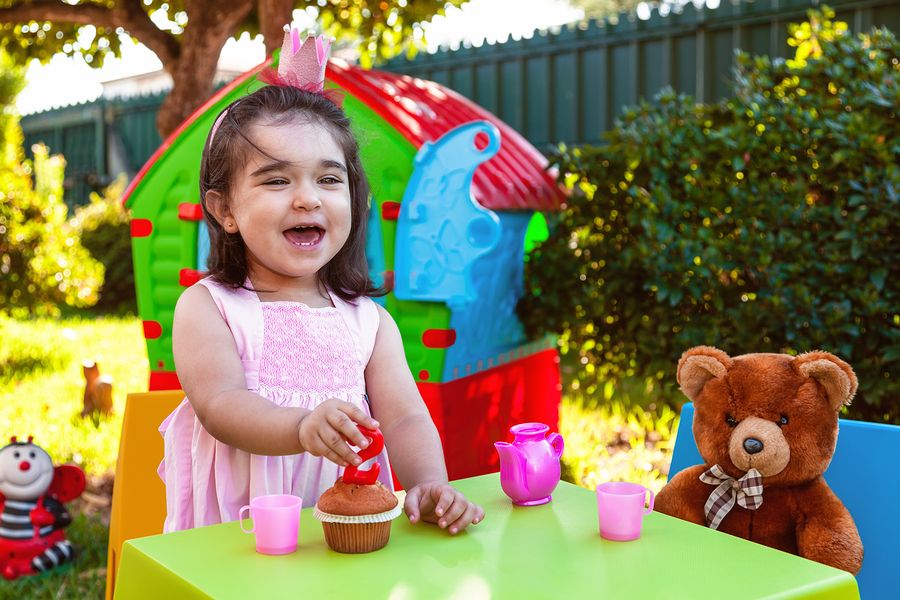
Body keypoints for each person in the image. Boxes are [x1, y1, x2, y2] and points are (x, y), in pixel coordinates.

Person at [159, 28, 484, 536]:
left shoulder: (368, 321)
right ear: (224, 209)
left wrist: (429, 482)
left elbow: (403, 419)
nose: (308, 198)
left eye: (329, 180)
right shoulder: (209, 307)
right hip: (242, 538)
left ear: (356, 203)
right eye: (276, 179)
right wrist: (300, 426)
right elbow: (219, 405)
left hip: (349, 530)